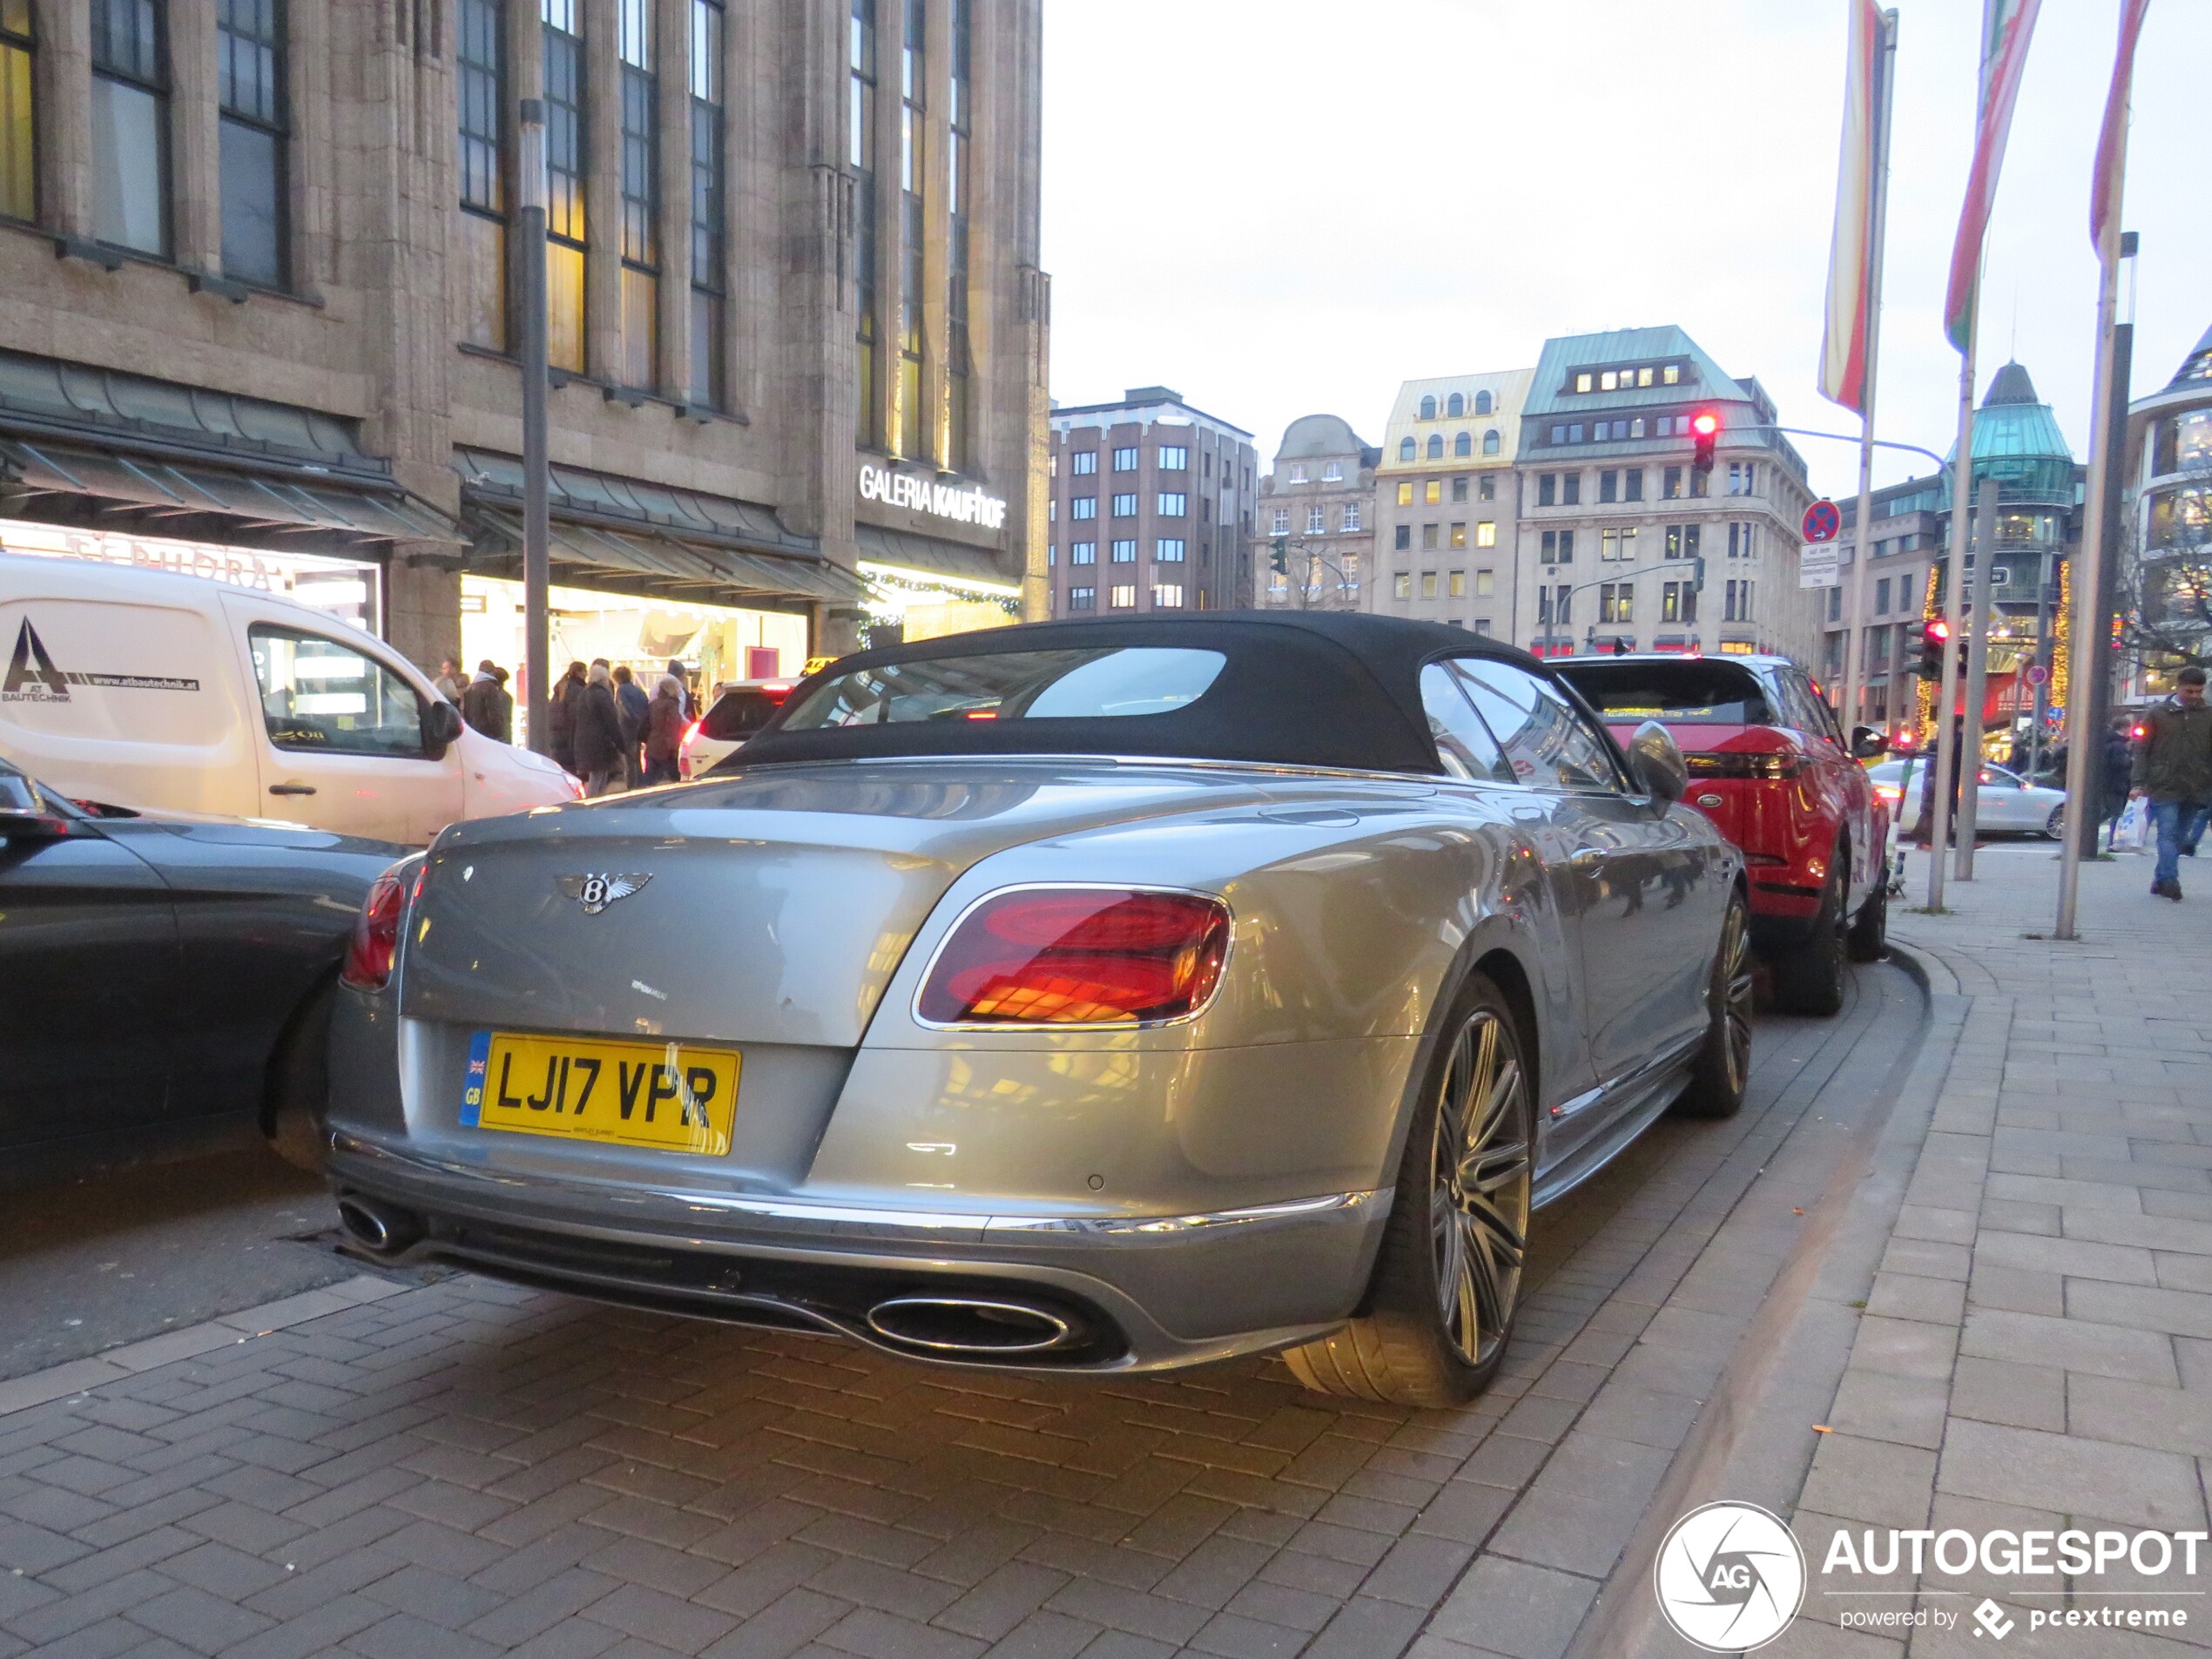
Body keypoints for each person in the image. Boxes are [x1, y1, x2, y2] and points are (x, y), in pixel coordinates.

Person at [2132, 665, 2212, 900]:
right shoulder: (2157, 714)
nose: (2195, 697)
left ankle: (2159, 879)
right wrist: (2138, 782)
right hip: (2164, 783)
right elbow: (2142, 750)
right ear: (2178, 687)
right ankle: (2170, 881)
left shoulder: (2208, 714)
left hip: (2196, 785)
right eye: (2190, 692)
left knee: (2178, 836)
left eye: (2199, 692)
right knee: (2167, 833)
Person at [574, 660, 628, 797]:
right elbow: (611, 722)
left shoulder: (583, 694)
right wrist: (621, 744)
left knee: (597, 776)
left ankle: (594, 801)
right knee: (598, 776)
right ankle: (592, 804)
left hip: (585, 741)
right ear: (603, 679)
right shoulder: (602, 695)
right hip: (600, 743)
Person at [643, 673, 687, 785]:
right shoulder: (671, 705)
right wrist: (673, 748)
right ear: (672, 689)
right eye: (677, 688)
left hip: (653, 745)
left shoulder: (654, 703)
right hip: (666, 749)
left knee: (650, 779)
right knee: (672, 781)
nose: (679, 690)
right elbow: (672, 728)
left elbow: (646, 724)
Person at [2100, 713, 2134, 852]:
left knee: (2108, 812)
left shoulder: (2108, 742)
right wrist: (2131, 761)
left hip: (2107, 783)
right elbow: (2119, 764)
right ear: (2124, 728)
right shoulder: (2119, 746)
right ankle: (2112, 843)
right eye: (2128, 727)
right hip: (2117, 784)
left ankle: (2084, 830)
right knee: (2117, 814)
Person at [612, 664, 651, 789]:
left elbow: (624, 709)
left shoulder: (621, 690)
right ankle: (640, 783)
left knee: (629, 760)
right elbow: (647, 707)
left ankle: (631, 786)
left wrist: (633, 719)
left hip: (627, 728)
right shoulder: (639, 690)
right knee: (637, 758)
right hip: (639, 729)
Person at [546, 660, 586, 777]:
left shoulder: (561, 688)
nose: (586, 674)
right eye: (585, 671)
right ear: (579, 672)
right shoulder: (577, 690)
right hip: (569, 737)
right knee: (572, 773)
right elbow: (576, 716)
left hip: (556, 736)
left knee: (562, 771)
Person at [460, 660, 514, 743]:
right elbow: (494, 713)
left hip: (474, 733)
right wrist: (499, 733)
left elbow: (465, 712)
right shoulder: (490, 687)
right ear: (492, 672)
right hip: (488, 734)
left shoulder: (470, 688)